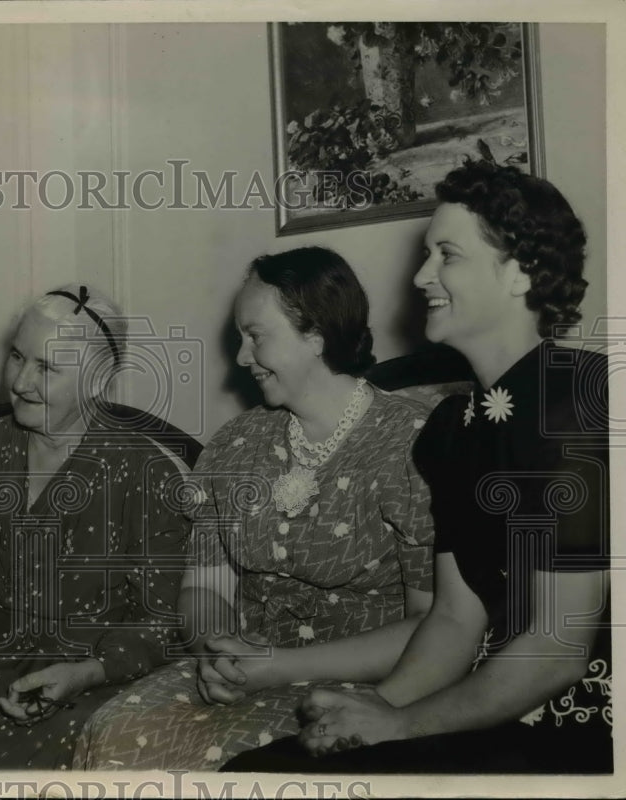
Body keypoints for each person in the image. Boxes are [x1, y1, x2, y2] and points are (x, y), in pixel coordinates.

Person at [225, 160, 611, 774]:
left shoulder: (575, 403)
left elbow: (560, 650)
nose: (421, 275)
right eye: (427, 253)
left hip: (582, 721)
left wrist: (399, 724)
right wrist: (373, 709)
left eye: (447, 255)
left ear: (521, 272)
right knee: (265, 771)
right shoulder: (451, 430)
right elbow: (455, 617)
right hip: (481, 701)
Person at [73, 247, 436, 771]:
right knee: (114, 732)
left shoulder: (413, 443)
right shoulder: (235, 444)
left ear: (316, 334)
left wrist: (279, 667)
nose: (242, 357)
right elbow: (205, 587)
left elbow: (434, 624)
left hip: (369, 685)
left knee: (242, 766)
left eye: (256, 336)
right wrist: (216, 650)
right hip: (249, 669)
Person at [0, 285, 189, 770]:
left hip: (102, 685)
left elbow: (161, 617)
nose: (22, 382)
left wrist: (90, 672)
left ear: (97, 380)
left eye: (47, 368)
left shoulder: (145, 473)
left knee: (101, 757)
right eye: (17, 357)